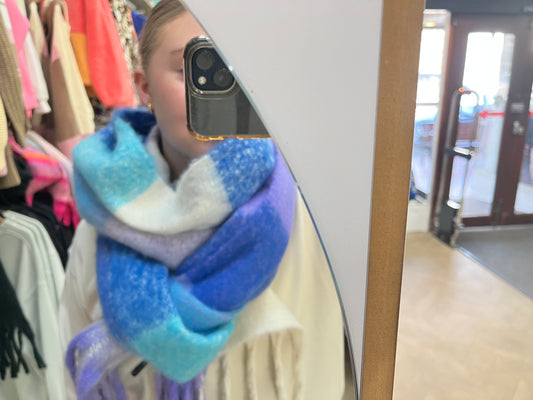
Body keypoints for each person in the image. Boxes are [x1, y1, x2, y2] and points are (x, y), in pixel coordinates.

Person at [58, 0, 346, 399]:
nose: (217, 95)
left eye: (235, 73)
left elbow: (325, 362)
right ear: (145, 87)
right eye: (195, 69)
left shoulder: (301, 215)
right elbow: (72, 370)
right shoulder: (100, 229)